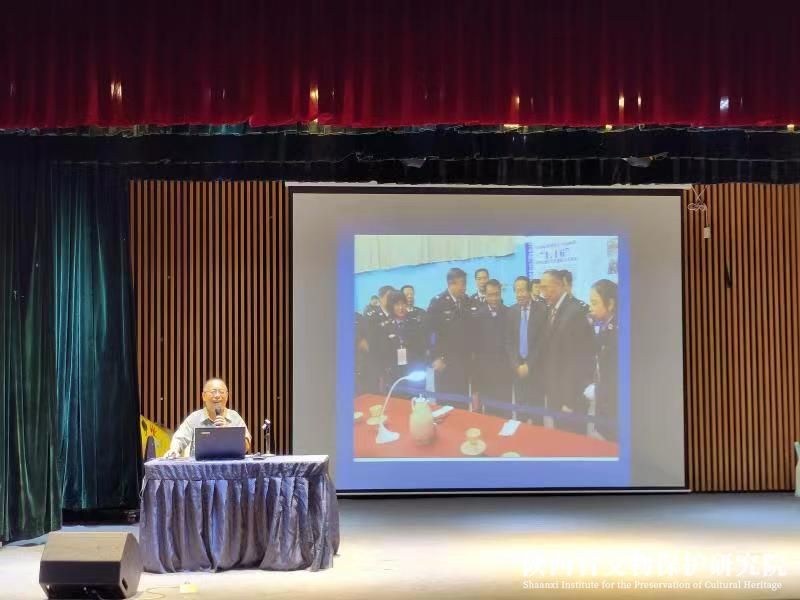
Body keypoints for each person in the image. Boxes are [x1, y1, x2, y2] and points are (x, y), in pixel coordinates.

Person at [538, 270, 596, 434]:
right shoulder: (552, 309)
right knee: (560, 437)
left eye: (545, 287)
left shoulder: (575, 312)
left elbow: (580, 361)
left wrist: (570, 401)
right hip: (556, 392)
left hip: (570, 397)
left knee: (573, 439)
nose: (542, 293)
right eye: (541, 288)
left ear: (558, 286)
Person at [164, 378, 252, 458]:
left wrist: (228, 432)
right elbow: (179, 438)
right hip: (200, 469)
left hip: (230, 467)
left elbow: (246, 446)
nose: (217, 395)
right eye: (213, 392)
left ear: (227, 396)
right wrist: (174, 450)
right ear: (204, 396)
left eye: (221, 392)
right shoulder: (194, 418)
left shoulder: (234, 417)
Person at [427, 267, 477, 402]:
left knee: (462, 402)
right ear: (451, 284)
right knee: (445, 404)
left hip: (463, 362)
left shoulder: (466, 301)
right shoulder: (437, 303)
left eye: (465, 284)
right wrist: (435, 358)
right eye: (462, 284)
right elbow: (430, 333)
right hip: (445, 363)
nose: (465, 288)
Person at [505, 276, 548, 424]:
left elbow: (542, 342)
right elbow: (509, 342)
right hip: (518, 370)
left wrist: (529, 364)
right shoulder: (511, 311)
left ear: (530, 291)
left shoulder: (542, 310)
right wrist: (516, 365)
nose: (519, 294)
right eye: (517, 291)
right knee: (521, 415)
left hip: (536, 369)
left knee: (537, 415)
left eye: (522, 290)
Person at [374, 290, 429, 392]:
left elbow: (422, 348)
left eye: (403, 304)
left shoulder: (415, 324)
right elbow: (381, 353)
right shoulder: (384, 327)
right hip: (394, 374)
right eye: (397, 304)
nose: (401, 308)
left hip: (414, 371)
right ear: (391, 306)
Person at [471, 279, 511, 415]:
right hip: (485, 374)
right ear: (485, 296)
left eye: (496, 294)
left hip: (505, 373)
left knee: (506, 412)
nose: (494, 298)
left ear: (500, 294)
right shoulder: (477, 316)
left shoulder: (509, 313)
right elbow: (475, 350)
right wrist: (476, 383)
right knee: (490, 414)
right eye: (490, 295)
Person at [586, 279, 618, 441]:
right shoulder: (604, 326)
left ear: (610, 304)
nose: (590, 307)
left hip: (615, 408)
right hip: (604, 403)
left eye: (594, 303)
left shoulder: (618, 332)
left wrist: (599, 390)